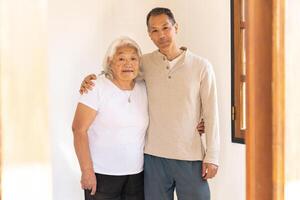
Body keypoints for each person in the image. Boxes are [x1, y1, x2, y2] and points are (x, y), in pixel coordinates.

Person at [80, 7, 219, 200]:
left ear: (176, 28)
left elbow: (212, 114)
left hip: (190, 156)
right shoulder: (144, 63)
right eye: (154, 30)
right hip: (153, 158)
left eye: (165, 28)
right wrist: (91, 79)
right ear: (149, 35)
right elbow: (118, 70)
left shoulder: (201, 66)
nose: (161, 34)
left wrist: (212, 156)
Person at [72, 37, 148, 200]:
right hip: (102, 176)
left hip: (136, 176)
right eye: (121, 58)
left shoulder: (144, 88)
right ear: (109, 61)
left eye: (133, 59)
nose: (128, 64)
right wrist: (87, 172)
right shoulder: (95, 87)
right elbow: (79, 130)